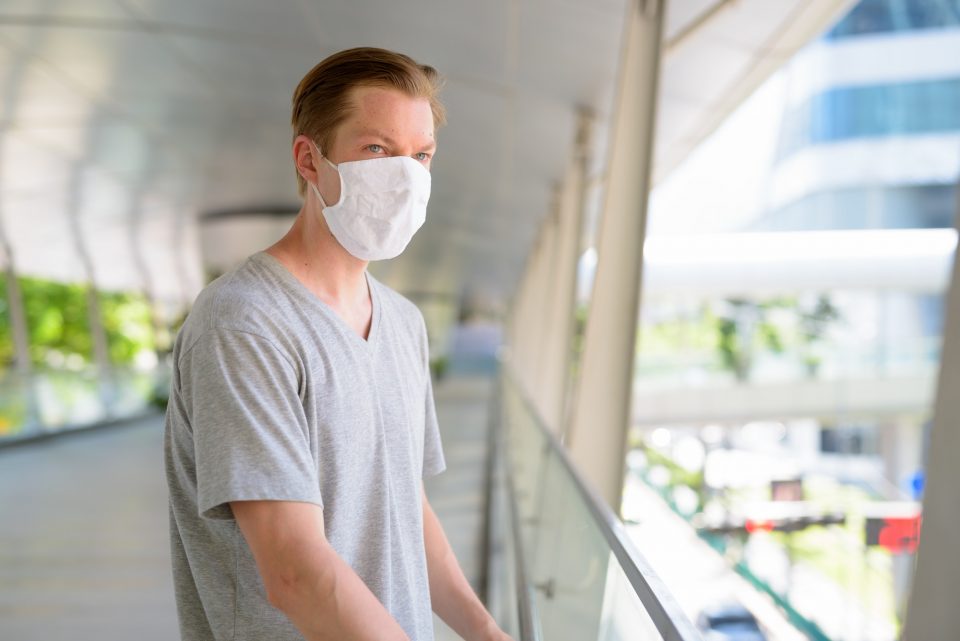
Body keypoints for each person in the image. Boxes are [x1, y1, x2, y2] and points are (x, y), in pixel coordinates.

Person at [164, 47, 511, 641]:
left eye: (420, 155)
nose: (405, 175)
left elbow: (405, 509)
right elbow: (294, 572)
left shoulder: (403, 323)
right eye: (376, 149)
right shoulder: (243, 325)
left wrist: (486, 632)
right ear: (309, 159)